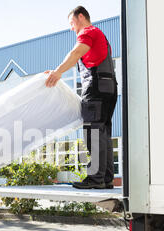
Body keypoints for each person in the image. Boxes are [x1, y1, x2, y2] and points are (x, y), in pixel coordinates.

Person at [45, 6, 118, 189]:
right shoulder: (100, 36)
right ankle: (106, 178)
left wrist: (57, 72)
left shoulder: (88, 32)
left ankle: (95, 179)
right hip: (108, 88)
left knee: (92, 132)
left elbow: (76, 53)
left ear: (80, 17)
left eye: (72, 23)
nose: (72, 28)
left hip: (96, 89)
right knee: (103, 133)